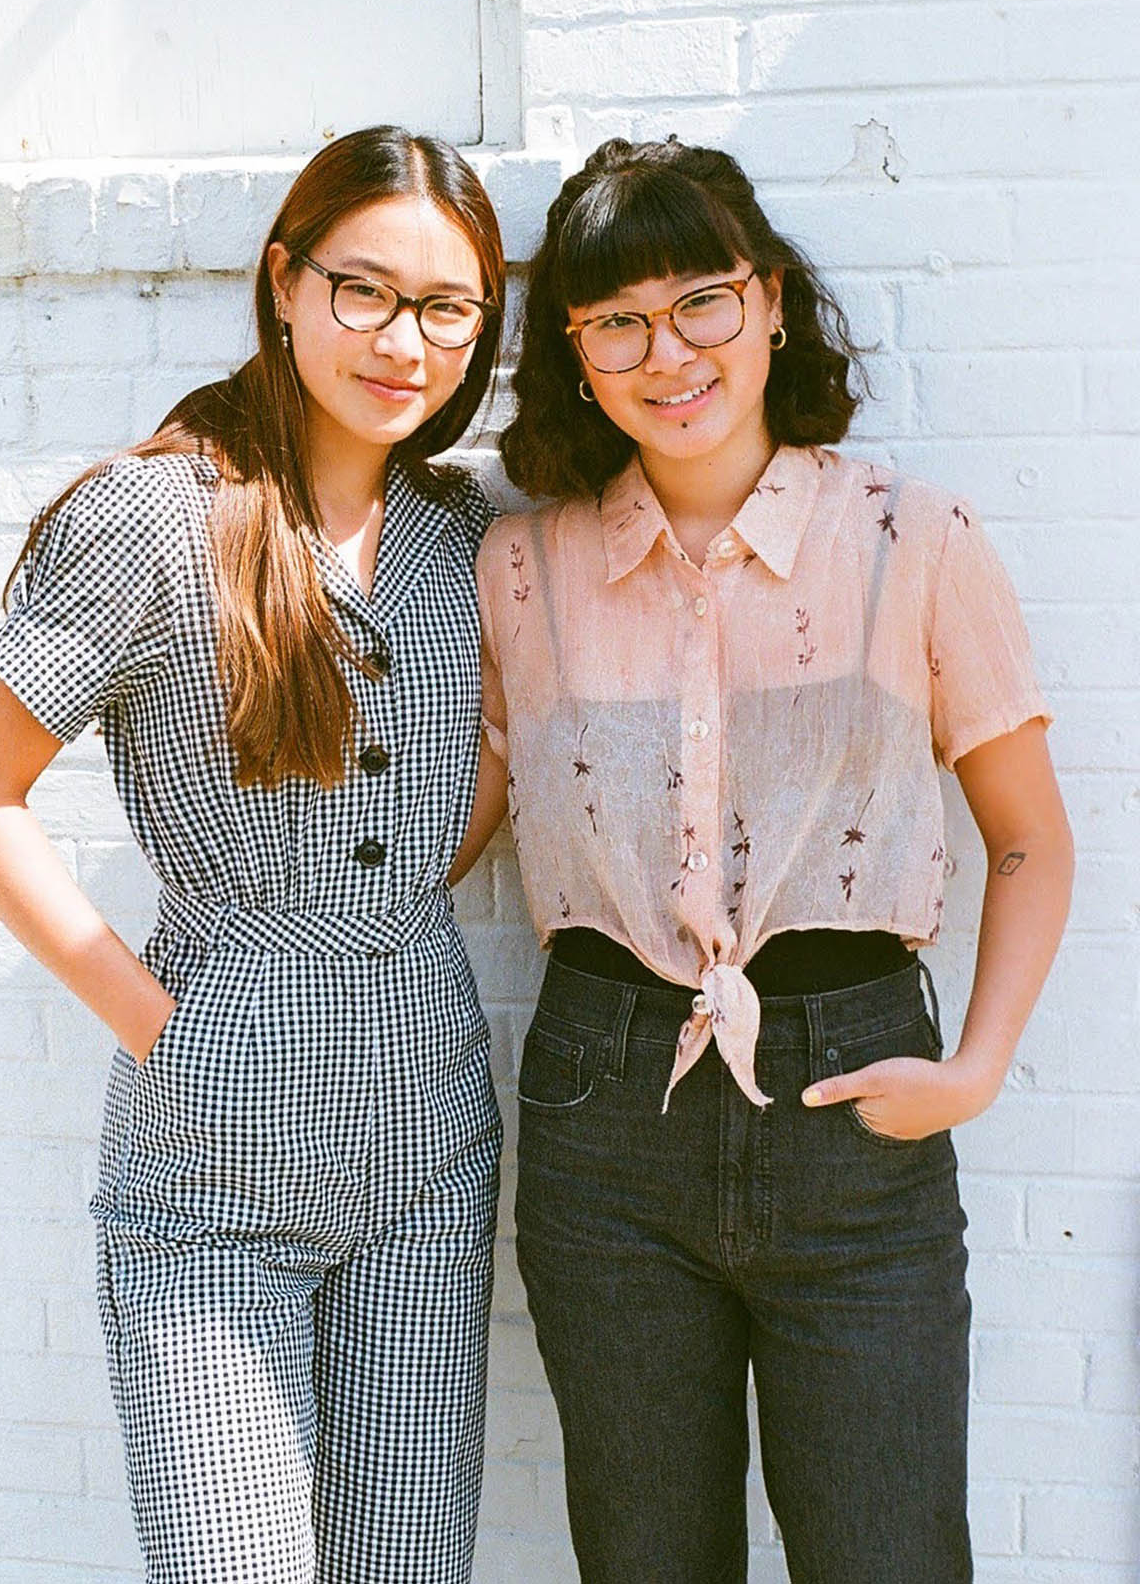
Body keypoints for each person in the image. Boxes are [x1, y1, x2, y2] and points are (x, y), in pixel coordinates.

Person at [457, 137, 1073, 1583]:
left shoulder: (913, 540)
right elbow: (451, 830)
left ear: (772, 301)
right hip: (606, 1119)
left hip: (858, 1110)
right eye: (617, 322)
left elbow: (1030, 840)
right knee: (647, 1562)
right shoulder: (524, 570)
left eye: (702, 302)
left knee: (888, 1556)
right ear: (575, 356)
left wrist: (976, 1070)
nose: (667, 354)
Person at [0, 126, 506, 1584]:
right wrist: (162, 1025)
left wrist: (390, 888)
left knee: (406, 1567)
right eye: (364, 291)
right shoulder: (150, 518)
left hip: (427, 1144)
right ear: (283, 282)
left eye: (448, 308)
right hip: (213, 1163)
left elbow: (488, 761)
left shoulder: (465, 534)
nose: (404, 341)